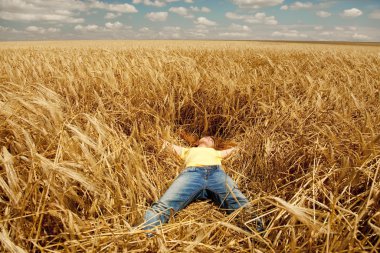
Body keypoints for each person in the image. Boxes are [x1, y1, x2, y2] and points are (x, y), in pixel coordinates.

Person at [140, 135, 264, 236]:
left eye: (212, 140)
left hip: (217, 174)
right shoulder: (188, 150)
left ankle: (260, 237)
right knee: (163, 206)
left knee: (241, 205)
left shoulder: (216, 152)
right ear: (197, 142)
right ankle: (141, 235)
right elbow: (165, 144)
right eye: (207, 137)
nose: (210, 138)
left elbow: (237, 149)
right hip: (192, 174)